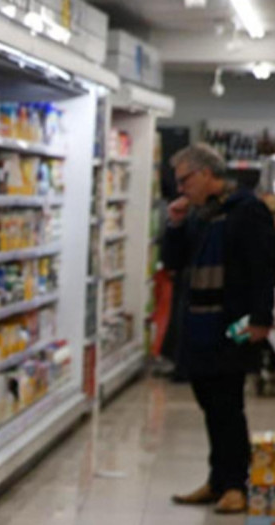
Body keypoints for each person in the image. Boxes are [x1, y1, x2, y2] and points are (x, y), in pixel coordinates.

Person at [164, 144, 275, 514]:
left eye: (186, 180)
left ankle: (236, 486)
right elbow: (174, 262)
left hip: (234, 325)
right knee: (209, 403)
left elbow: (264, 269)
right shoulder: (198, 215)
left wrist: (261, 319)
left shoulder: (246, 211)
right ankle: (217, 479)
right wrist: (176, 224)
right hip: (197, 325)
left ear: (208, 174)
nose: (181, 188)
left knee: (228, 404)